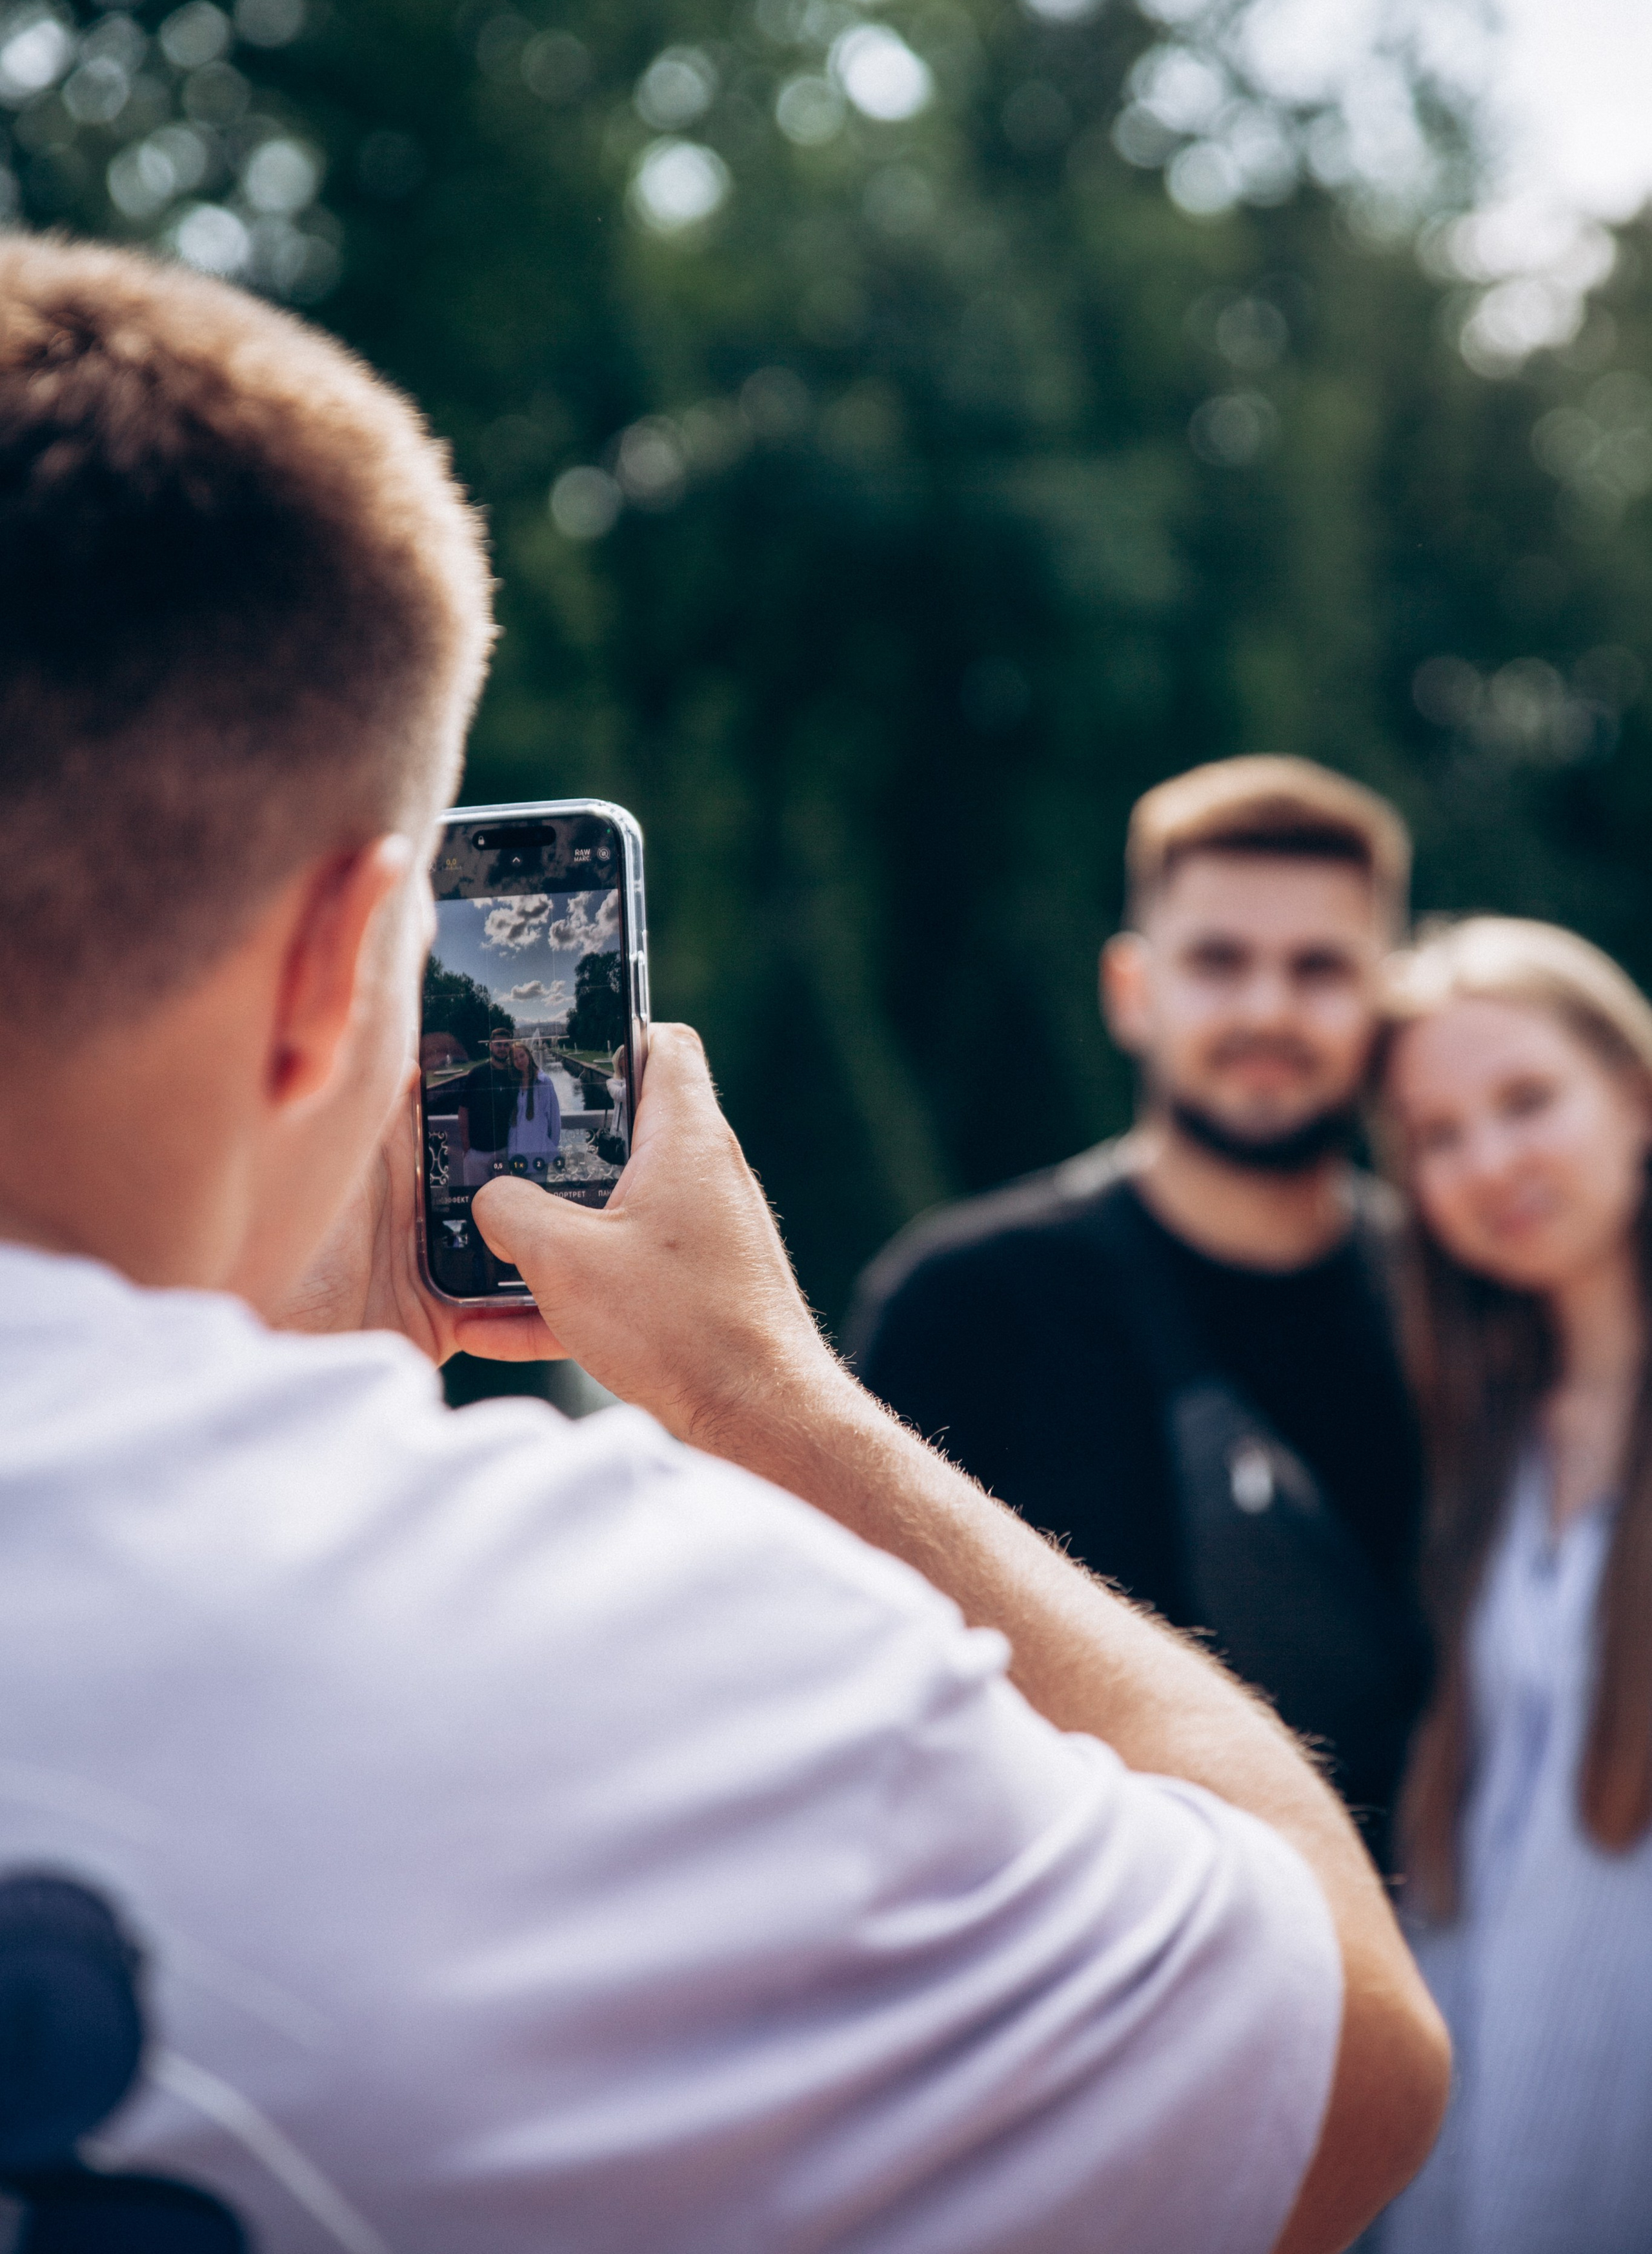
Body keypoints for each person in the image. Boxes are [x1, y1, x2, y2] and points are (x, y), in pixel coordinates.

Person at [0, 232, 1446, 2252]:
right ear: (348, 959)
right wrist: (752, 1391)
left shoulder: (1441, 1298)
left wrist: (318, 1379)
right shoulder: (629, 1643)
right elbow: (1343, 2062)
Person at [852, 758, 1430, 1859]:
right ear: (1133, 990)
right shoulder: (964, 1306)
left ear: (1383, 1003)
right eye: (1219, 961)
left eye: (1319, 968)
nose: (1268, 1007)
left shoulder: (1461, 1316)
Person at [1373, 919, 1652, 2254]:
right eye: (1436, 1134)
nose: (1488, 1163)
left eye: (1525, 1101)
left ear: (1634, 1096)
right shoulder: (1480, 1438)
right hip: (1490, 2129)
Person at [459, 1025, 524, 1183]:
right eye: (498, 1045)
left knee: (501, 1202)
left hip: (504, 1151)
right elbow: (463, 1110)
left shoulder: (514, 1074)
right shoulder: (477, 1073)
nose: (502, 1048)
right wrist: (468, 1149)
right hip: (477, 1153)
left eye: (506, 1045)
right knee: (476, 1200)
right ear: (491, 1046)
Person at [505, 1037, 563, 1170]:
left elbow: (554, 1117)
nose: (520, 1061)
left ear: (529, 1056)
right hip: (517, 1153)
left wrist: (551, 1146)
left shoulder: (543, 1082)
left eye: (522, 1056)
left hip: (538, 1151)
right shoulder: (514, 1083)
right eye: (515, 1059)